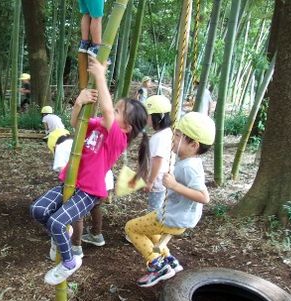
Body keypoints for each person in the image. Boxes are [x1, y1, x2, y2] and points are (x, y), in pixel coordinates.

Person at [30, 57, 150, 285]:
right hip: (71, 182)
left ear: (126, 127)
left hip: (88, 191)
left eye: (117, 111)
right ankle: (61, 238)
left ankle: (69, 262)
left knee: (56, 222)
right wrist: (78, 103)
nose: (110, 112)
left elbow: (105, 109)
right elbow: (77, 124)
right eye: (113, 109)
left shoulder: (117, 137)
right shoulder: (99, 126)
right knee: (37, 209)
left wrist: (100, 76)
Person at [125, 111, 215, 288]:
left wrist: (174, 186)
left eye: (179, 136)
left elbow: (204, 197)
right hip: (177, 216)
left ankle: (157, 266)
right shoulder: (190, 161)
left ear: (193, 145)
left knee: (131, 228)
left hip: (173, 217)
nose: (173, 138)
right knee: (150, 231)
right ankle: (170, 261)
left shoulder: (190, 167)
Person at [45, 128, 114, 259]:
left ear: (54, 145)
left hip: (89, 181)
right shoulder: (81, 140)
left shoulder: (61, 147)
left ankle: (75, 247)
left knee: (76, 213)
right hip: (104, 180)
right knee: (95, 206)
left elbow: (64, 174)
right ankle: (96, 235)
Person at [144, 95, 173, 212]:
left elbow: (158, 161)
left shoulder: (158, 138)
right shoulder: (168, 132)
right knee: (160, 207)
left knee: (154, 210)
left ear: (158, 117)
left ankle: (153, 228)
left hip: (158, 181)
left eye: (148, 115)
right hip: (164, 179)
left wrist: (150, 181)